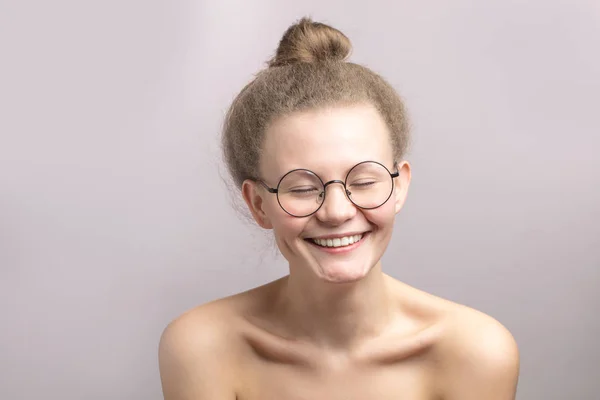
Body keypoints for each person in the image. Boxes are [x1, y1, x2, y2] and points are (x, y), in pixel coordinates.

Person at [158, 17, 520, 399]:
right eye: (301, 187)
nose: (336, 211)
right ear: (258, 204)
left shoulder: (476, 352)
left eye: (364, 181)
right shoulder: (201, 348)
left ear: (399, 187)